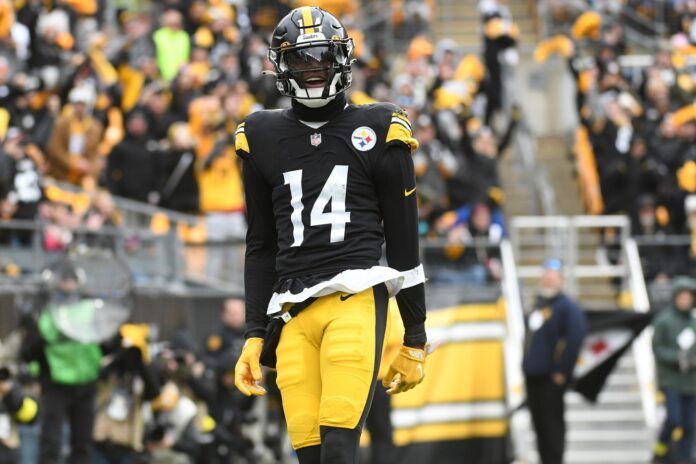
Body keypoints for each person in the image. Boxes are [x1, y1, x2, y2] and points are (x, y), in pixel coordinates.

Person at [233, 7, 428, 464]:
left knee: (339, 450)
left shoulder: (379, 126)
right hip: (293, 309)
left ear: (342, 60)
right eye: (301, 60)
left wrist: (415, 335)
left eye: (321, 58)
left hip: (353, 297)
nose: (313, 69)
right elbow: (261, 243)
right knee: (312, 457)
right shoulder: (260, 133)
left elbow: (403, 242)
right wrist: (254, 333)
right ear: (282, 67)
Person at [522, 258, 588, 464]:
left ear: (561, 280)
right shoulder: (539, 305)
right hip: (533, 377)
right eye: (546, 276)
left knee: (552, 427)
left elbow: (576, 338)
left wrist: (562, 371)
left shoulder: (568, 307)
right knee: (539, 426)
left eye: (553, 277)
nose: (549, 281)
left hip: (551, 378)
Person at [652, 276, 696, 464]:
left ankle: (684, 459)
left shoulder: (694, 321)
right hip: (671, 379)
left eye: (688, 297)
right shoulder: (664, 320)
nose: (685, 300)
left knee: (691, 424)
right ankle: (660, 451)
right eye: (682, 296)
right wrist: (678, 358)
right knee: (673, 419)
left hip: (692, 381)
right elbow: (657, 348)